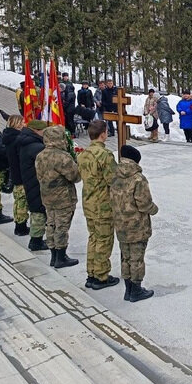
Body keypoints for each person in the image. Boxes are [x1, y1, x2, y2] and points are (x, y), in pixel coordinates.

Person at [110, 145, 158, 302]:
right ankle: (136, 290)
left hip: (120, 224)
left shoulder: (115, 176)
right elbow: (144, 204)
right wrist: (154, 209)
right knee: (137, 258)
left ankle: (128, 289)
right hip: (137, 226)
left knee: (125, 256)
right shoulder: (138, 179)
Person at [78, 120, 119, 290]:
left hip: (88, 203)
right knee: (104, 240)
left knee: (93, 238)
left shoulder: (83, 154)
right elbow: (114, 180)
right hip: (103, 205)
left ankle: (92, 273)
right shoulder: (105, 155)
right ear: (103, 134)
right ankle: (101, 276)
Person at [35, 125, 82, 269]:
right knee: (61, 226)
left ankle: (53, 255)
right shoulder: (62, 157)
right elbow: (75, 176)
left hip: (47, 196)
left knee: (51, 224)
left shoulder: (41, 155)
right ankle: (61, 257)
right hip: (63, 197)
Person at [16, 119, 49, 251]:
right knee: (38, 211)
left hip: (29, 179)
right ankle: (36, 241)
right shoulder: (36, 147)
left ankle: (36, 238)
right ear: (36, 131)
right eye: (43, 132)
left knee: (36, 209)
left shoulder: (26, 141)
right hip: (35, 182)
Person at [2, 114, 30, 236]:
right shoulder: (18, 139)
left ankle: (19, 223)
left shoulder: (8, 136)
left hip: (15, 172)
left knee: (18, 201)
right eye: (23, 122)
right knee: (22, 201)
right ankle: (21, 227)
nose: (25, 124)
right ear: (17, 123)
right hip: (21, 173)